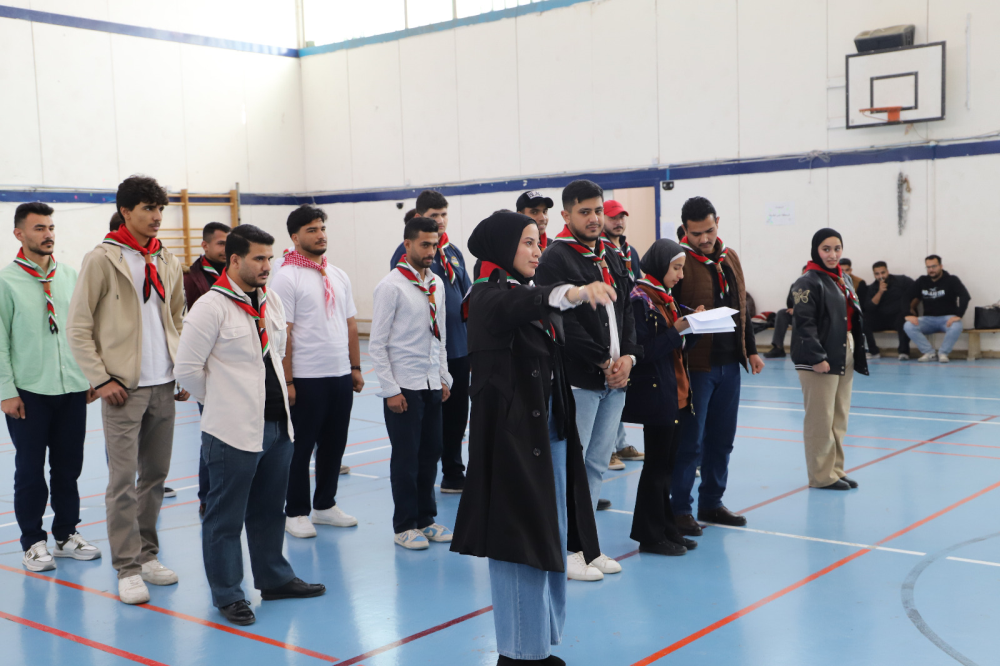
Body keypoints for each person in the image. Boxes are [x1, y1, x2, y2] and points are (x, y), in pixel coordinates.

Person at [452, 210, 613, 665]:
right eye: (527, 242)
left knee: (550, 536)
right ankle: (518, 653)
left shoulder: (523, 291)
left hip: (551, 435)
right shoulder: (486, 297)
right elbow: (522, 306)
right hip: (514, 442)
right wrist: (573, 291)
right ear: (503, 247)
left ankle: (538, 642)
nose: (537, 250)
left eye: (538, 241)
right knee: (518, 544)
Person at [175, 224, 325, 626]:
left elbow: (277, 351)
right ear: (235, 259)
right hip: (232, 432)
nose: (266, 266)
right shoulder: (210, 307)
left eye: (269, 258)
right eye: (259, 258)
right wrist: (224, 402)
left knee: (269, 511)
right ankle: (228, 594)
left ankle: (274, 579)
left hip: (277, 426)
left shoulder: (269, 299)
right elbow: (187, 370)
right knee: (224, 518)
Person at [68, 175, 188, 605]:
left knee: (154, 477)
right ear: (126, 212)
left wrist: (182, 370)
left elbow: (178, 319)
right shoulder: (103, 259)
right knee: (122, 481)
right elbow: (78, 327)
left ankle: (148, 554)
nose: (157, 217)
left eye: (160, 209)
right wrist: (101, 379)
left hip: (164, 384)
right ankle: (127, 567)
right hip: (123, 389)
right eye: (148, 209)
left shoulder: (167, 259)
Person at [534, 179, 642, 580]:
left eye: (598, 210)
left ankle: (587, 545)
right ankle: (565, 548)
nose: (594, 218)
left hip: (614, 380)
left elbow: (626, 310)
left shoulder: (610, 254)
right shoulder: (556, 258)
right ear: (566, 215)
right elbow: (561, 321)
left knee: (596, 464)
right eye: (585, 212)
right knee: (571, 467)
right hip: (580, 380)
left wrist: (628, 357)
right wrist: (602, 360)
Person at [0, 203, 100, 572]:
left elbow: (85, 330)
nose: (48, 234)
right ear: (19, 234)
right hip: (29, 392)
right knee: (30, 470)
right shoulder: (6, 282)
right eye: (39, 228)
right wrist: (6, 391)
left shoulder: (71, 276)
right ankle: (33, 541)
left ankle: (66, 534)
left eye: (51, 228)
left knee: (68, 468)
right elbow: (0, 341)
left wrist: (91, 375)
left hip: (72, 387)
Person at [672, 196, 764, 537]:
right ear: (685, 230)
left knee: (722, 440)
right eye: (696, 233)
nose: (704, 239)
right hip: (697, 366)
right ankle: (680, 509)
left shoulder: (730, 258)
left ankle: (711, 502)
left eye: (709, 230)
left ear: (717, 223)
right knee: (690, 443)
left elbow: (741, 305)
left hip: (730, 365)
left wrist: (751, 350)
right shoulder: (679, 261)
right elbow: (669, 310)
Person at [270, 205, 363, 538]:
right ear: (295, 237)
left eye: (322, 228)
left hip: (339, 374)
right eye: (311, 230)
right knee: (300, 447)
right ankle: (295, 511)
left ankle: (325, 505)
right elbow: (283, 333)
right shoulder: (286, 277)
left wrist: (354, 367)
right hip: (306, 377)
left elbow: (350, 324)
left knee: (334, 445)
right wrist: (288, 381)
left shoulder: (337, 274)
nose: (320, 234)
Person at [372, 216, 455, 549]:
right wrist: (391, 390)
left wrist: (443, 377)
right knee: (406, 459)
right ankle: (404, 525)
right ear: (407, 245)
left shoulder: (436, 284)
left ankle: (426, 519)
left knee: (430, 453)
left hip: (431, 383)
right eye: (424, 245)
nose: (430, 251)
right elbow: (377, 344)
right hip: (404, 386)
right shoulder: (390, 287)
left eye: (434, 244)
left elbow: (440, 335)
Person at [620, 239, 701, 556]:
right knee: (655, 469)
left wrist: (693, 328)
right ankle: (649, 535)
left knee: (667, 467)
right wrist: (676, 331)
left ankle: (666, 528)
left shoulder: (665, 298)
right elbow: (642, 351)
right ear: (659, 265)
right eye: (676, 268)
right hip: (657, 396)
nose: (680, 275)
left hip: (676, 393)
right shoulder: (641, 299)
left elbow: (678, 348)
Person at [390, 191, 471, 494]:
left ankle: (453, 472)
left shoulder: (452, 251)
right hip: (428, 351)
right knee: (429, 423)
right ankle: (422, 480)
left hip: (458, 347)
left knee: (458, 415)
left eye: (443, 214)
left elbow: (466, 294)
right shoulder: (409, 253)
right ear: (419, 216)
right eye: (433, 215)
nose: (440, 220)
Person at [791, 229, 868, 490]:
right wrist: (816, 356)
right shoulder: (807, 281)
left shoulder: (841, 278)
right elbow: (804, 323)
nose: (833, 254)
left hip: (843, 349)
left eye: (837, 248)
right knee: (820, 419)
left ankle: (835, 469)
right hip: (819, 356)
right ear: (816, 250)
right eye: (826, 249)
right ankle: (821, 476)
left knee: (838, 416)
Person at [180, 221, 231, 514]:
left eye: (229, 243)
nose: (226, 248)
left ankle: (233, 493)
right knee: (212, 435)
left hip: (236, 369)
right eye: (221, 243)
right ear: (205, 245)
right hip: (206, 370)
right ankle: (207, 497)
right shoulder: (190, 280)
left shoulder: (238, 275)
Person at [602, 199, 645, 470]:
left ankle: (619, 443)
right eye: (613, 217)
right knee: (609, 385)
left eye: (622, 217)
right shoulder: (600, 251)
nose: (618, 222)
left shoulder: (631, 252)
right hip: (609, 326)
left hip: (627, 325)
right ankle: (605, 449)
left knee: (620, 387)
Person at [904, 255, 971, 363]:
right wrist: (907, 314)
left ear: (941, 266)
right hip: (928, 319)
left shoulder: (952, 280)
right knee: (908, 325)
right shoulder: (922, 280)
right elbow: (906, 296)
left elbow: (965, 296)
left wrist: (959, 315)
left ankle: (943, 353)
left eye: (934, 266)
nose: (931, 270)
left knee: (957, 325)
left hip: (947, 319)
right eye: (928, 267)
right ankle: (929, 353)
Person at [863, 262, 914, 360]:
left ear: (887, 271)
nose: (880, 276)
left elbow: (916, 291)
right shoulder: (872, 287)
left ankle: (904, 352)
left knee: (904, 318)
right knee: (862, 320)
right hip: (881, 319)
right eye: (877, 274)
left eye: (883, 273)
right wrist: (880, 292)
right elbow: (869, 307)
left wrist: (912, 306)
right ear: (874, 275)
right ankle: (873, 351)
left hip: (897, 316)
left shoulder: (901, 281)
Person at [763, 266, 807, 359]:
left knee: (797, 318)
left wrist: (798, 310)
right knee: (782, 313)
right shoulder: (795, 286)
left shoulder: (818, 286)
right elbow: (789, 304)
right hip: (797, 315)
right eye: (804, 273)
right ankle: (778, 347)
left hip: (811, 317)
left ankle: (798, 350)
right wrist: (794, 309)